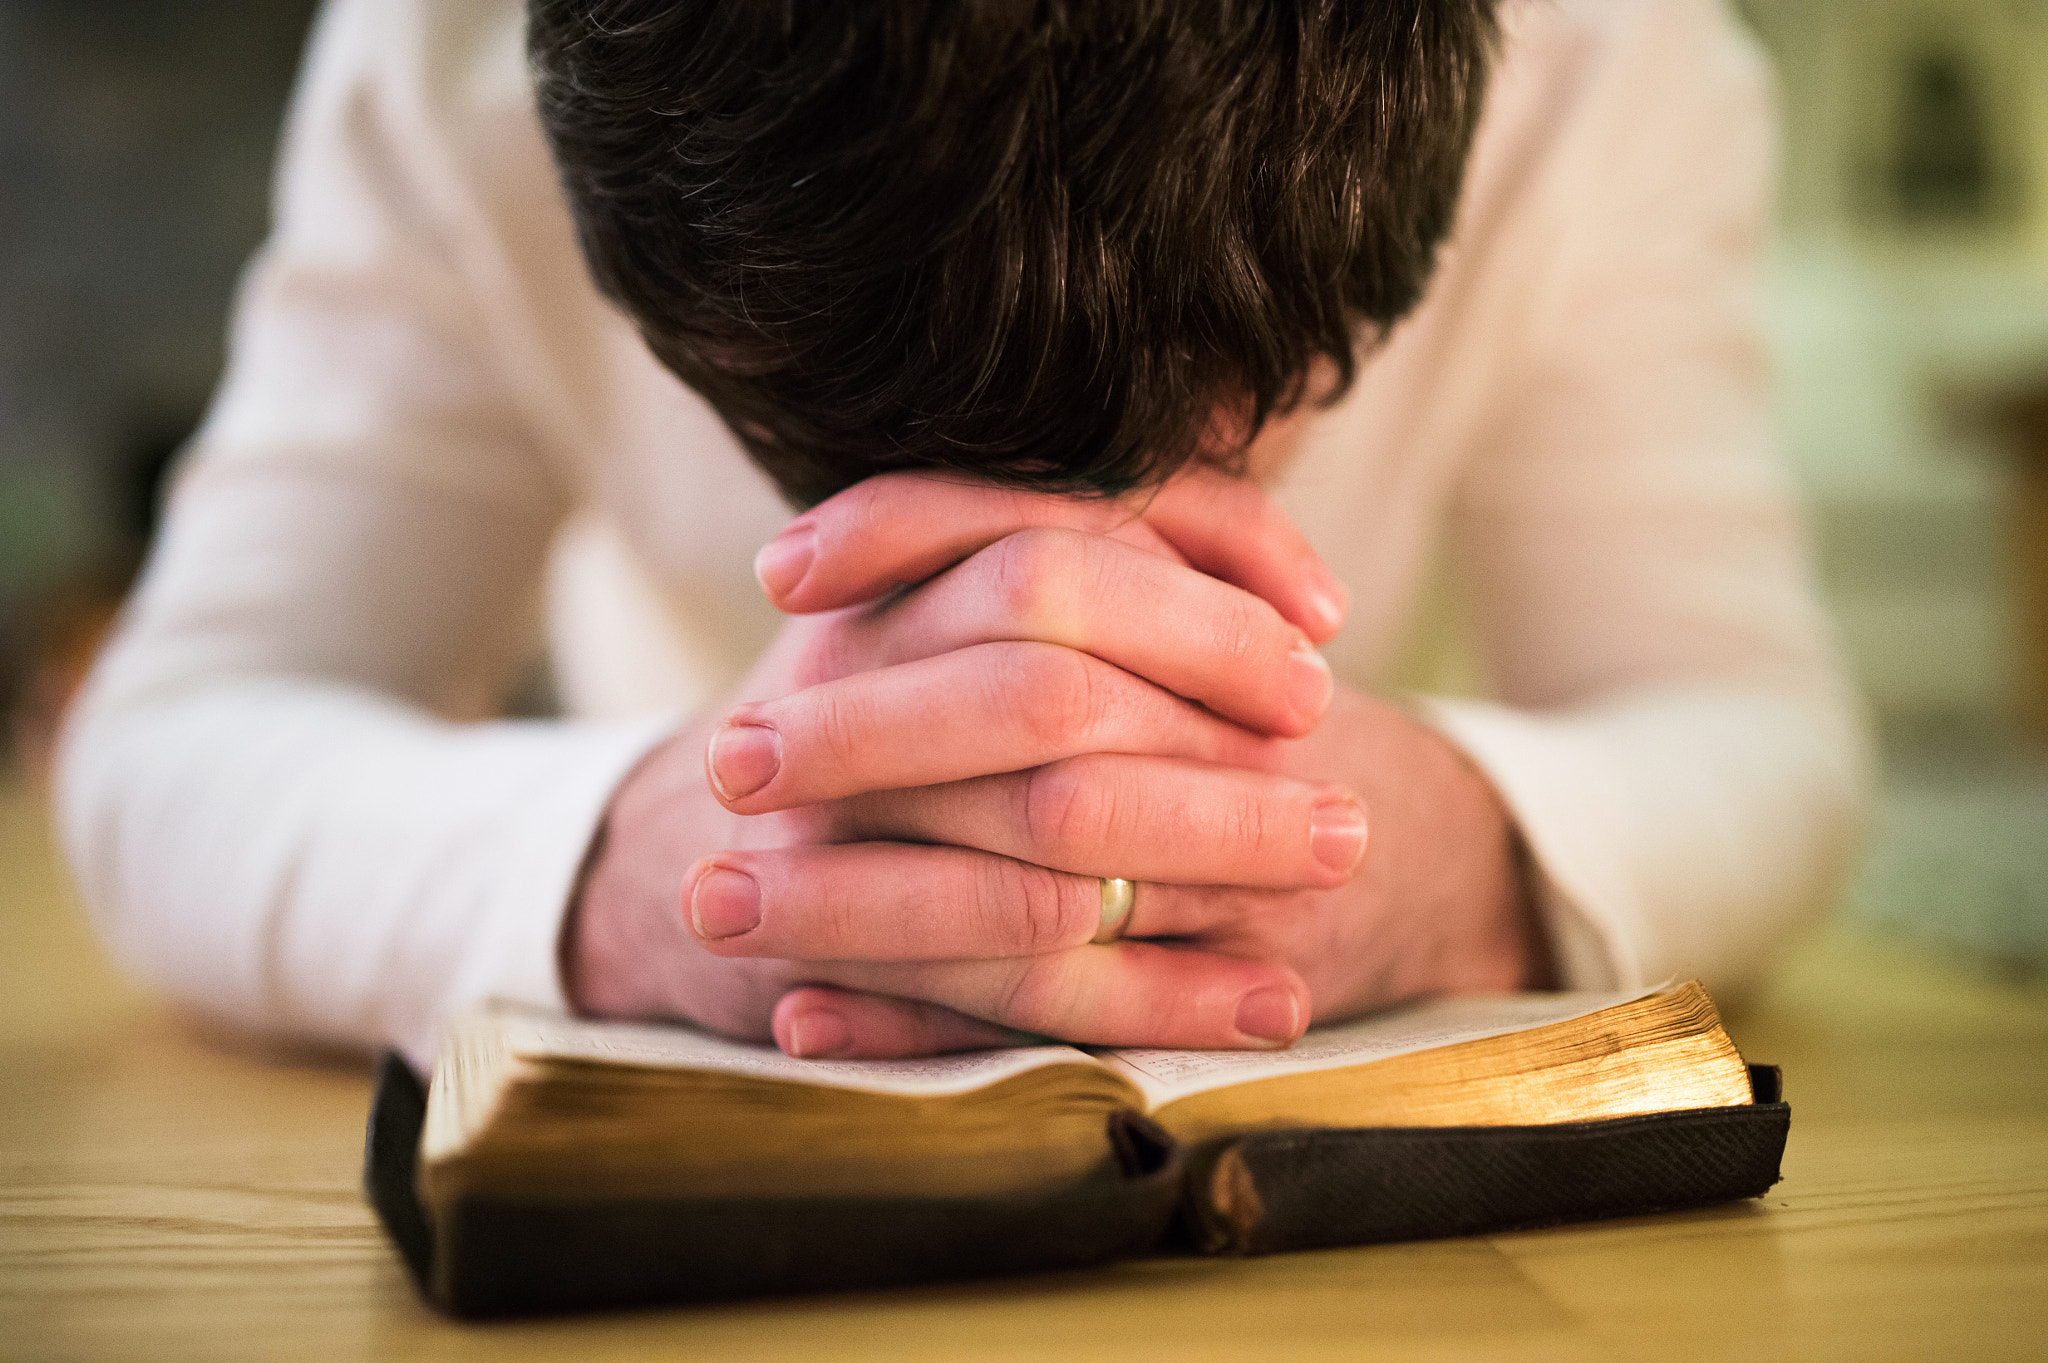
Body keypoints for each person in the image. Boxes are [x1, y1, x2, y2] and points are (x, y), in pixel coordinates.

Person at [56, 0, 1868, 1073]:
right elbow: (174, 748)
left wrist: (1437, 861)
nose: (1033, 620)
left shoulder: (1615, 54)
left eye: (1182, 472)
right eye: (870, 511)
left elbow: (1753, 728)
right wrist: (625, 883)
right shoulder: (447, 52)